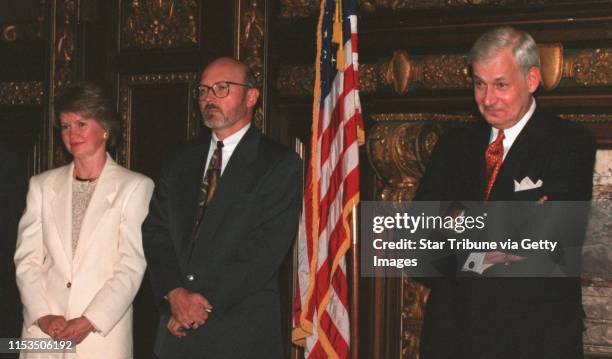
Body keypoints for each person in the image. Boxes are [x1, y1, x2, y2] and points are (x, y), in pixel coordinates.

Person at [415, 27, 596, 359]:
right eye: (479, 84)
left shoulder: (570, 144)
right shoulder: (452, 147)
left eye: (501, 84)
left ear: (531, 80)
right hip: (452, 338)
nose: (487, 99)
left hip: (532, 339)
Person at [142, 58, 301, 359]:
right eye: (203, 90)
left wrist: (198, 306)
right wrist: (174, 295)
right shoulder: (179, 160)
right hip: (176, 333)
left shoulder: (278, 163)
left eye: (221, 88)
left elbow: (265, 250)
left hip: (238, 333)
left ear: (251, 96)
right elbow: (156, 232)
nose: (208, 98)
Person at [14, 82, 154, 359]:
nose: (72, 134)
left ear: (105, 128)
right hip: (45, 338)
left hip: (100, 338)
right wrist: (43, 315)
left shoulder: (135, 187)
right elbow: (26, 260)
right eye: (65, 126)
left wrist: (90, 320)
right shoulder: (41, 185)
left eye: (81, 123)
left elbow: (131, 266)